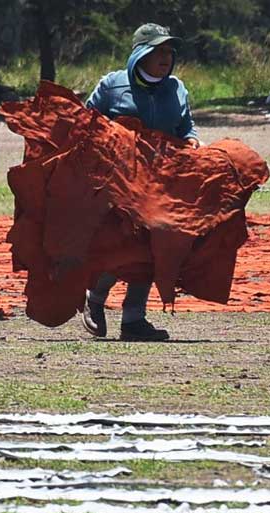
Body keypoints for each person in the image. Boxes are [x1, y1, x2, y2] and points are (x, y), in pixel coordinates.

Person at [81, 22, 200, 342]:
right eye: (157, 51)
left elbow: (187, 128)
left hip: (160, 183)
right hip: (115, 182)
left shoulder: (177, 88)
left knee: (152, 249)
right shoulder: (111, 85)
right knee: (120, 248)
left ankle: (134, 318)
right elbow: (84, 124)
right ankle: (94, 297)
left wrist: (192, 142)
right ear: (140, 54)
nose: (165, 58)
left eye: (169, 52)